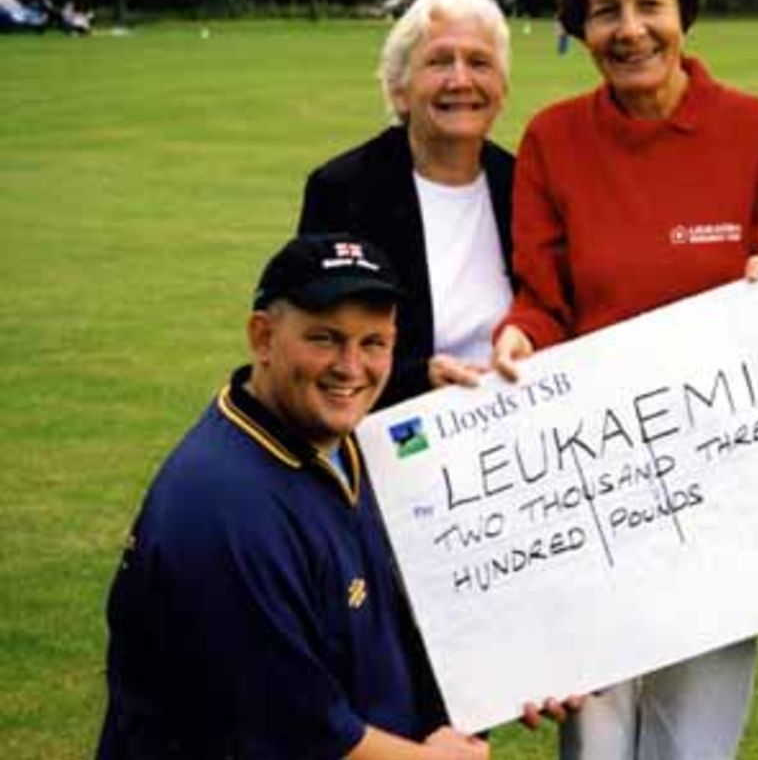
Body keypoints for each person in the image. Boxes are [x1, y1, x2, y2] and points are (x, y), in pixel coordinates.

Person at [490, 0, 758, 757]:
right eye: (605, 11)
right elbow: (543, 301)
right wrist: (521, 336)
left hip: (725, 501)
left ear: (683, 9)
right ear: (578, 26)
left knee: (691, 744)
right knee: (595, 743)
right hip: (593, 491)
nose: (629, 30)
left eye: (648, 5)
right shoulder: (552, 140)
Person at [97, 233, 489, 759]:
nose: (351, 368)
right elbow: (299, 733)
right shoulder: (224, 507)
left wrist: (496, 687)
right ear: (263, 337)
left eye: (373, 342)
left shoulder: (343, 445)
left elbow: (398, 628)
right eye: (324, 339)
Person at [300, 0, 515, 408]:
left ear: (501, 89)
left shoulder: (526, 184)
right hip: (398, 437)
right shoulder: (343, 189)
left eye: (479, 62)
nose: (460, 80)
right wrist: (419, 377)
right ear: (400, 89)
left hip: (516, 441)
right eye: (438, 62)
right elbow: (316, 341)